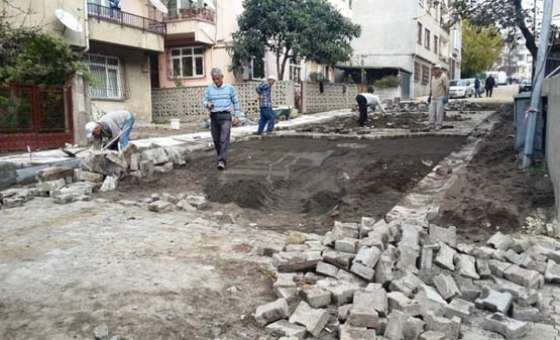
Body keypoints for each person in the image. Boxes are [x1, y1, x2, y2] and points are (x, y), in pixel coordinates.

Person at [202, 68, 241, 170]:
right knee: (216, 139)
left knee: (223, 139)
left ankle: (221, 160)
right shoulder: (209, 89)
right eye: (214, 79)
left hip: (226, 117)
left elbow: (236, 101)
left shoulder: (229, 88)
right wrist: (208, 104)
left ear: (222, 77)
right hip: (214, 117)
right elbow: (204, 100)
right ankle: (221, 156)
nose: (216, 81)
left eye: (218, 78)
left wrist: (237, 115)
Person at [428, 64, 449, 130]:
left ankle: (439, 125)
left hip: (440, 97)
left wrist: (446, 96)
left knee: (439, 113)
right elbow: (431, 87)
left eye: (436, 69)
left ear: (440, 70)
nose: (435, 71)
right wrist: (429, 96)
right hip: (433, 98)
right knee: (431, 112)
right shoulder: (433, 77)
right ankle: (431, 124)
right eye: (434, 69)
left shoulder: (443, 77)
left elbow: (446, 87)